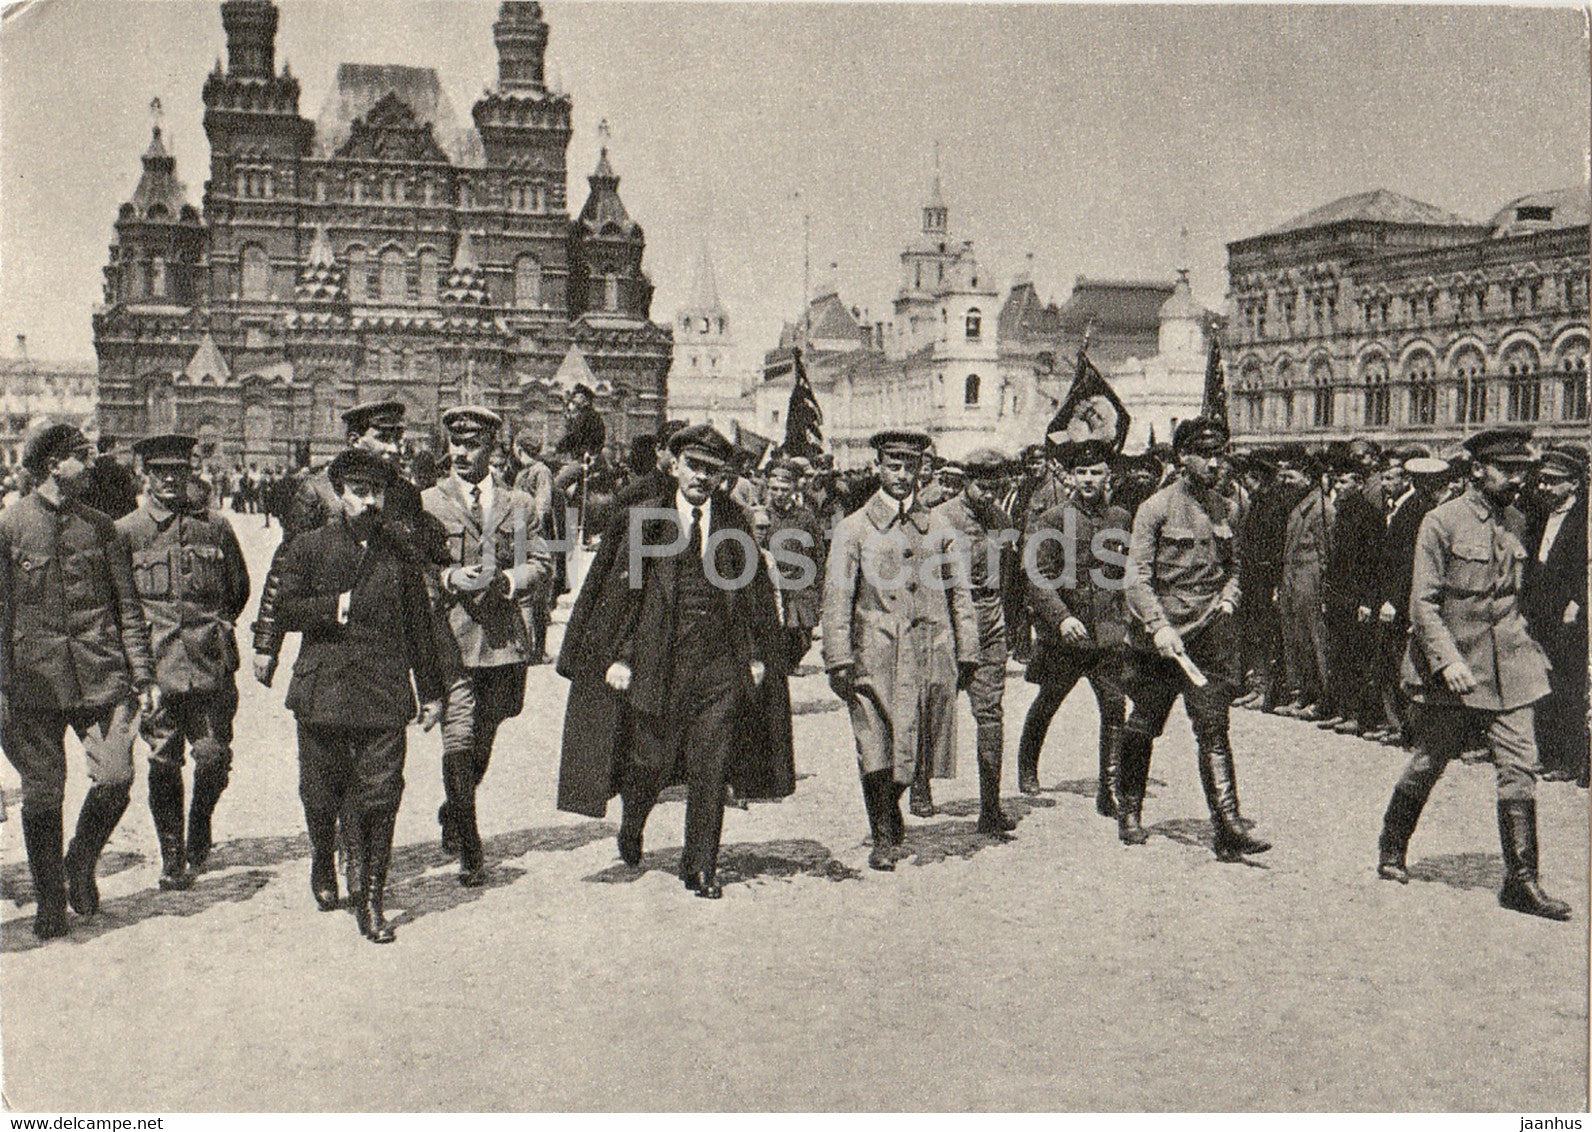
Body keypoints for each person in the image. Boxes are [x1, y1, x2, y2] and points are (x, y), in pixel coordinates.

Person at [555, 424, 791, 899]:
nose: (702, 477)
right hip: (657, 663)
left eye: (713, 470)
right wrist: (618, 657)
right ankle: (633, 819)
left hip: (718, 668)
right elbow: (622, 596)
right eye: (695, 467)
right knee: (649, 761)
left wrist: (759, 655)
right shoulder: (646, 520)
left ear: (724, 476)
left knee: (712, 765)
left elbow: (752, 597)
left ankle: (700, 865)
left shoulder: (733, 522)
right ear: (676, 466)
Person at [1376, 428, 1570, 920]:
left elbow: (1518, 595)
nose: (1517, 480)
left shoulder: (1519, 521)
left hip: (1511, 665)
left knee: (1519, 766)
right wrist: (1448, 661)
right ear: (1478, 470)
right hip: (1455, 668)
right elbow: (1423, 603)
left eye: (1522, 470)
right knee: (1429, 759)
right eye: (1507, 470)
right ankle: (1392, 846)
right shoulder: (1441, 522)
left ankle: (1522, 881)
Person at [274, 447, 444, 942]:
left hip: (383, 691)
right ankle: (322, 858)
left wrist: (431, 691)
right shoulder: (309, 546)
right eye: (360, 492)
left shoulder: (400, 553)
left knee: (382, 795)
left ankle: (372, 899)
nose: (370, 502)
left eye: (378, 492)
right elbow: (284, 608)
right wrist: (333, 608)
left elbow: (420, 628)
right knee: (319, 792)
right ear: (341, 493)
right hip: (323, 689)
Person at [0, 423, 158, 939]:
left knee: (116, 777)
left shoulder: (101, 527)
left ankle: (79, 861)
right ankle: (50, 899)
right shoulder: (11, 526)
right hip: (33, 682)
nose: (93, 466)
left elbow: (128, 608)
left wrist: (143, 674)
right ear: (53, 465)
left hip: (100, 674)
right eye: (83, 457)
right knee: (44, 791)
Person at [821, 430, 978, 869]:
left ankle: (892, 806)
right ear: (878, 468)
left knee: (917, 743)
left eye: (911, 467)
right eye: (894, 466)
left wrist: (967, 649)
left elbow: (959, 592)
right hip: (874, 654)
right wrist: (838, 658)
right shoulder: (853, 529)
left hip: (931, 648)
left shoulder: (939, 528)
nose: (902, 476)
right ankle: (883, 833)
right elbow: (836, 597)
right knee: (875, 743)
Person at [1119, 417, 1270, 860]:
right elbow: (1136, 579)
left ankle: (1227, 825)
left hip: (1209, 634)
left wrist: (1228, 598)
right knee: (1143, 724)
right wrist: (1158, 626)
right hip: (1160, 639)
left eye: (1220, 453)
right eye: (1205, 455)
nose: (1215, 463)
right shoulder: (1156, 508)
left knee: (1213, 728)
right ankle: (1129, 809)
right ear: (1183, 457)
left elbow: (1235, 566)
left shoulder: (1228, 508)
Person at [424, 406, 550, 886]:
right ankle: (471, 847)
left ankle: (454, 807)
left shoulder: (520, 505)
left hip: (502, 641)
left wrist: (510, 581)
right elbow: (417, 570)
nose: (460, 452)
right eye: (455, 442)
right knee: (459, 736)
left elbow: (541, 562)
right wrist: (447, 575)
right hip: (451, 639)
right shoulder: (429, 503)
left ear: (492, 448)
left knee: (485, 736)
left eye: (471, 444)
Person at [117, 434, 250, 890]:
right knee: (163, 761)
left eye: (179, 471)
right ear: (146, 475)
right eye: (161, 472)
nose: (171, 479)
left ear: (191, 472)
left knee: (213, 757)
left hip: (210, 664)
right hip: (158, 667)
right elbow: (123, 605)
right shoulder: (128, 531)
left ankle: (200, 826)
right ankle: (172, 853)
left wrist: (220, 628)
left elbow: (238, 589)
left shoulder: (215, 526)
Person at [1017, 439, 1130, 814]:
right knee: (1048, 701)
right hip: (1065, 637)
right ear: (1070, 476)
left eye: (1095, 472)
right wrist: (1062, 618)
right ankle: (1027, 764)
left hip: (1107, 635)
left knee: (1115, 709)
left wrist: (1127, 621)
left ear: (1107, 476)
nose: (1087, 479)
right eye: (1081, 472)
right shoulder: (1051, 520)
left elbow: (1128, 574)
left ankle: (1109, 789)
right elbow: (1038, 575)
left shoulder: (1121, 519)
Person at [935, 448, 1018, 838]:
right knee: (935, 704)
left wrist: (1012, 624)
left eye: (995, 487)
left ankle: (990, 806)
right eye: (982, 486)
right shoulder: (942, 518)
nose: (988, 494)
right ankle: (921, 787)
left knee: (991, 713)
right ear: (966, 481)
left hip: (989, 618)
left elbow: (1012, 575)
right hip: (950, 619)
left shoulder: (1002, 519)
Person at [1523, 444, 1588, 787]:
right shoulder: (1540, 514)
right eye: (1543, 481)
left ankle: (1569, 758)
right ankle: (1546, 754)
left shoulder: (1583, 518)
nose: (1544, 487)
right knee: (1542, 682)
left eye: (1553, 481)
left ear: (1574, 484)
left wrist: (1577, 602)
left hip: (1570, 615)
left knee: (1567, 685)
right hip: (1541, 612)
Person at [1375, 455, 1450, 744]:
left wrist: (1393, 600)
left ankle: (1407, 728)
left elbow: (1409, 561)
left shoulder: (1418, 510)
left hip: (1406, 598)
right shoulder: (1413, 507)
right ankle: (1401, 726)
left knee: (1405, 664)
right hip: (1404, 595)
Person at [1276, 451, 1333, 719]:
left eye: (1291, 476)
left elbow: (1325, 554)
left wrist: (1323, 590)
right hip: (1294, 582)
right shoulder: (1299, 506)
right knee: (1297, 641)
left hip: (1310, 583)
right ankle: (1303, 694)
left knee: (1316, 642)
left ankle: (1323, 698)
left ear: (1307, 478)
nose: (1285, 481)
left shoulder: (1321, 508)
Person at [763, 459, 826, 670]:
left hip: (801, 585)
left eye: (784, 489)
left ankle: (791, 662)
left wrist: (820, 585)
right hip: (773, 584)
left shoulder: (805, 517)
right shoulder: (761, 516)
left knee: (804, 636)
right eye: (774, 489)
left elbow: (818, 553)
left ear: (793, 488)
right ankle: (783, 665)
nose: (779, 493)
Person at [554, 383, 606, 461]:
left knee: (564, 473)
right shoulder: (589, 415)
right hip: (586, 456)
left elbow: (574, 436)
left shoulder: (587, 416)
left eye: (576, 396)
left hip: (585, 459)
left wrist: (558, 448)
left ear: (583, 398)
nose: (574, 399)